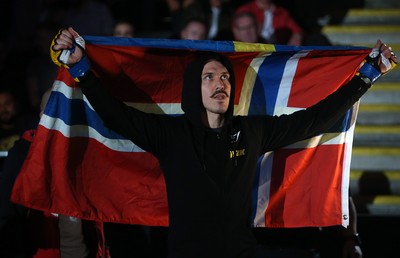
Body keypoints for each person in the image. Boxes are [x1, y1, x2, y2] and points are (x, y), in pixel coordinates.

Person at [50, 27, 397, 258]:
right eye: (210, 77)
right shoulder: (171, 135)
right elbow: (116, 115)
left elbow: (312, 120)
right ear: (194, 88)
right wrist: (81, 70)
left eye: (226, 77)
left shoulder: (251, 132)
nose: (221, 83)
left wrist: (364, 77)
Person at [235, 0, 304, 46]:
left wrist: (297, 35)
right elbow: (238, 34)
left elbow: (297, 29)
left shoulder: (281, 12)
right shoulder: (246, 10)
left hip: (276, 51)